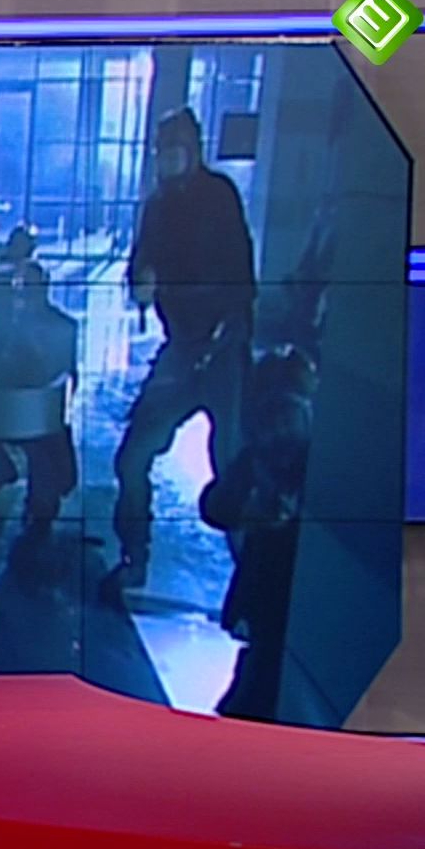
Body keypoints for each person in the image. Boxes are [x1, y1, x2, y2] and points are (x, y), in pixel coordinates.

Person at [102, 106, 256, 605]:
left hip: (224, 347)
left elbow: (242, 277)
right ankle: (134, 558)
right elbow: (139, 267)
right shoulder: (157, 207)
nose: (168, 159)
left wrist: (227, 329)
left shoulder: (220, 196)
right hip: (182, 348)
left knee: (232, 466)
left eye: (176, 150)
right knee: (132, 457)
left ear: (193, 150)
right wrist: (141, 282)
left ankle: (253, 579)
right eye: (163, 151)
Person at [202, 346, 316, 721]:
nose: (279, 426)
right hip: (268, 590)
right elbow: (216, 505)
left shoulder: (327, 460)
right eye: (271, 414)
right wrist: (248, 512)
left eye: (288, 412)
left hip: (304, 595)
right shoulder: (256, 458)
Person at [0, 260, 79, 532]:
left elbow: (68, 373)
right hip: (17, 401)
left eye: (30, 286)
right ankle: (10, 471)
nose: (26, 293)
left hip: (41, 405)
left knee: (42, 449)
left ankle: (41, 505)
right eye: (24, 287)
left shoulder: (61, 326)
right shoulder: (13, 325)